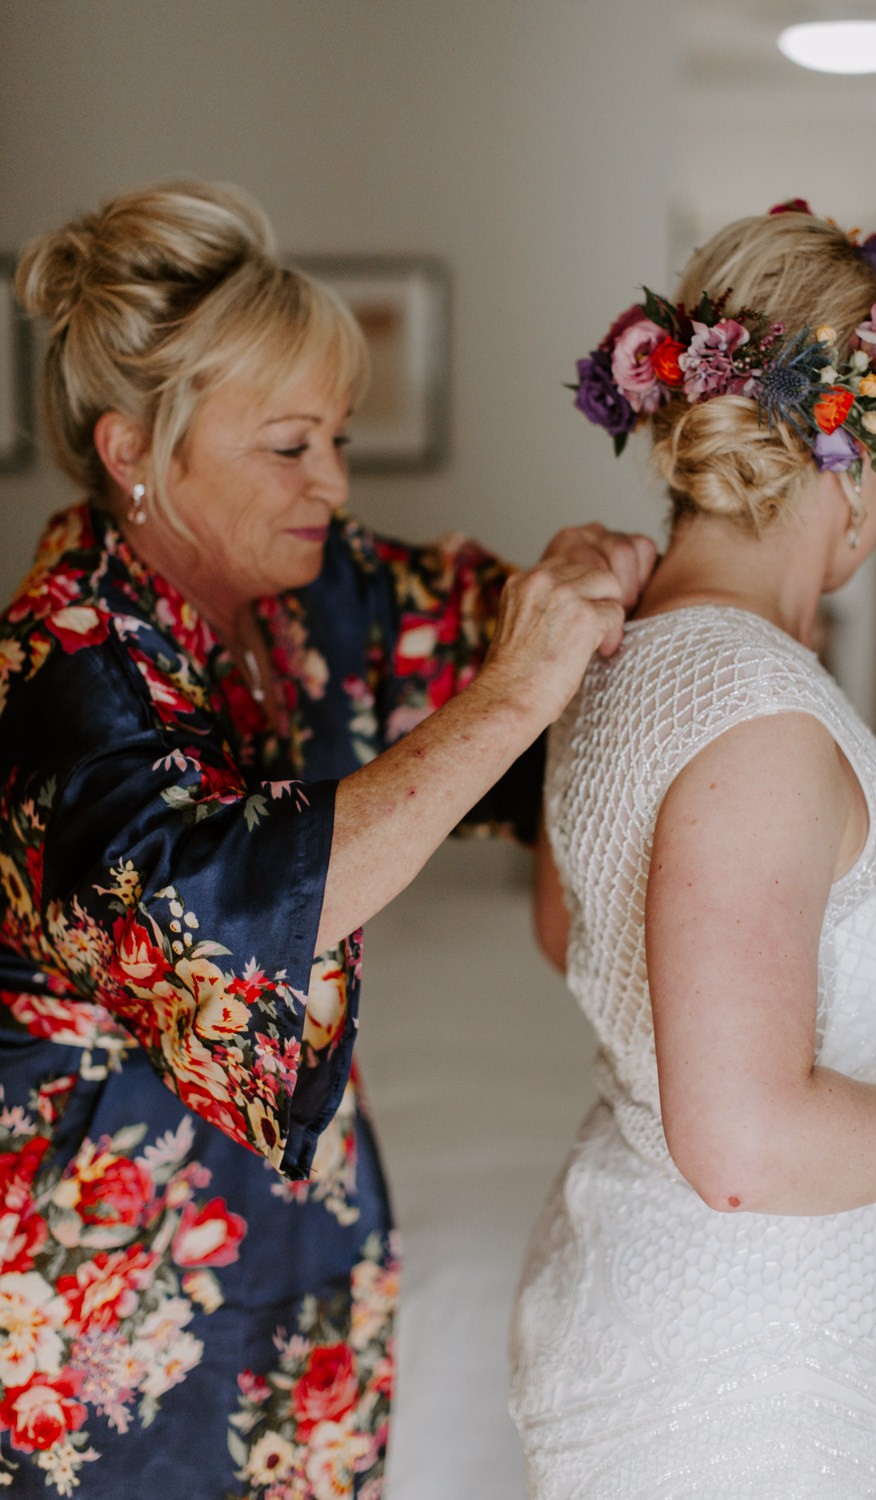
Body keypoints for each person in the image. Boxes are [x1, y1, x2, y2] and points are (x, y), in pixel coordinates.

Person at [0, 180, 655, 1498]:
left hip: (299, 1247)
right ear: (136, 451)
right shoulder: (58, 679)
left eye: (341, 440)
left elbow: (488, 620)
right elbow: (236, 925)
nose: (336, 484)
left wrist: (627, 587)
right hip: (100, 1309)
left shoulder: (297, 595)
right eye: (291, 447)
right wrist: (518, 688)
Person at [508, 203, 876, 1498]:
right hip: (738, 1373)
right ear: (868, 448)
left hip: (717, 1317)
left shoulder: (619, 651)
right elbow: (744, 1148)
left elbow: (580, 935)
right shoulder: (755, 708)